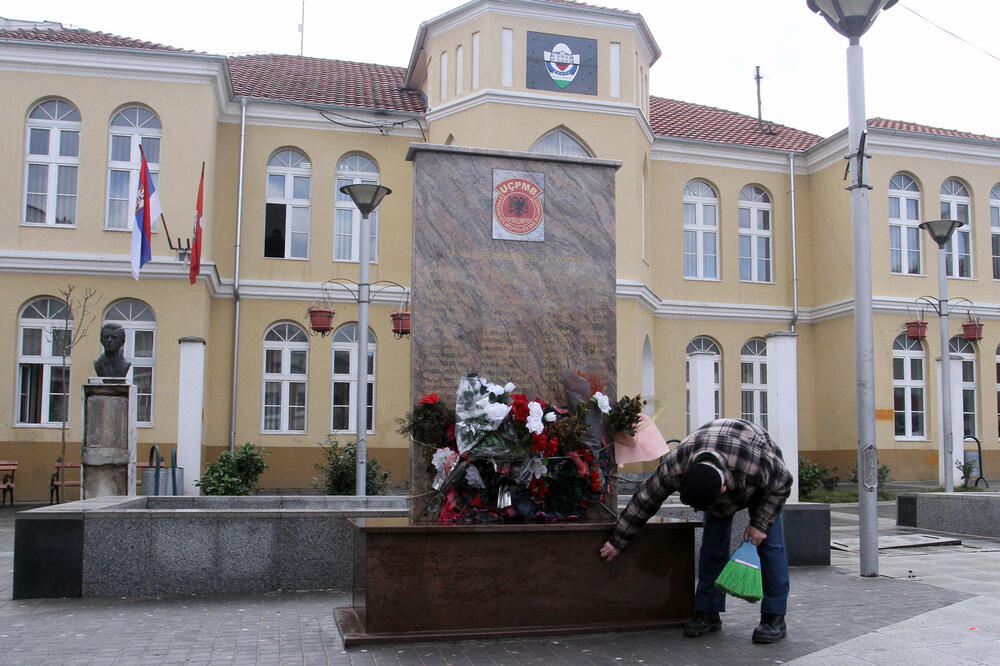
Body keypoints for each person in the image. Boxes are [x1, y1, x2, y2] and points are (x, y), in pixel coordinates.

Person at [599, 418, 793, 644]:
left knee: (770, 546)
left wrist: (760, 524)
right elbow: (645, 500)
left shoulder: (755, 462)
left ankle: (774, 618)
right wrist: (617, 541)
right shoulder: (677, 464)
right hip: (717, 461)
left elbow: (782, 484)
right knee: (712, 546)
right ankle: (708, 612)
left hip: (758, 479)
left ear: (721, 489)